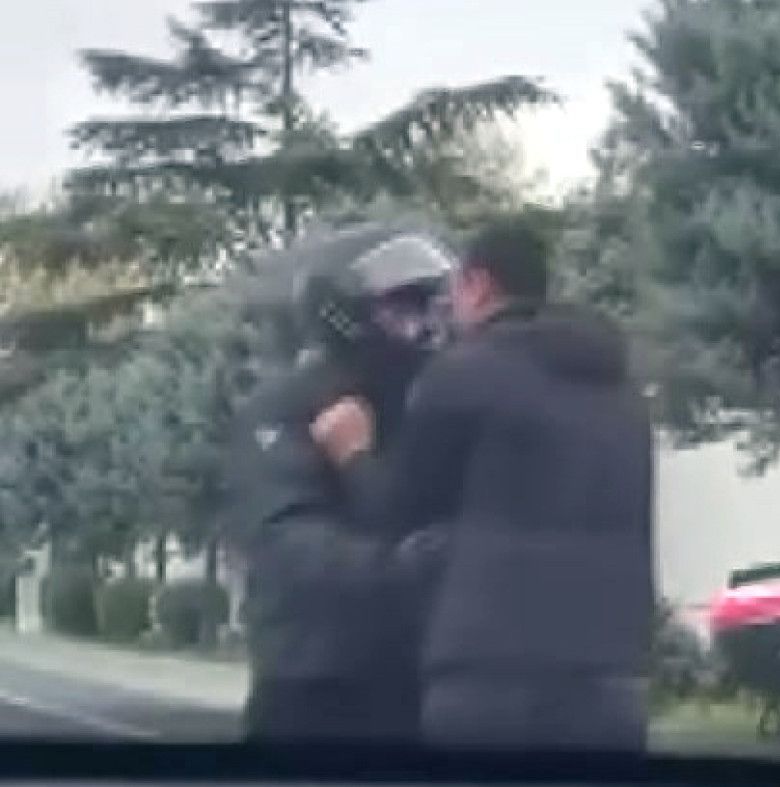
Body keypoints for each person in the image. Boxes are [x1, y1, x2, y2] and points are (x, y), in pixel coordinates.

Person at [315, 218, 657, 751]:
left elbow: (396, 514)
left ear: (477, 284)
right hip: (611, 679)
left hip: (492, 674)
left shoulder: (462, 374)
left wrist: (352, 453)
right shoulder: (623, 393)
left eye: (452, 291)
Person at [227, 223, 454, 741]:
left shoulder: (427, 409)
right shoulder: (287, 408)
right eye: (403, 309)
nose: (425, 328)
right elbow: (289, 545)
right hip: (313, 680)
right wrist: (414, 565)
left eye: (431, 308)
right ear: (344, 314)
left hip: (415, 683)